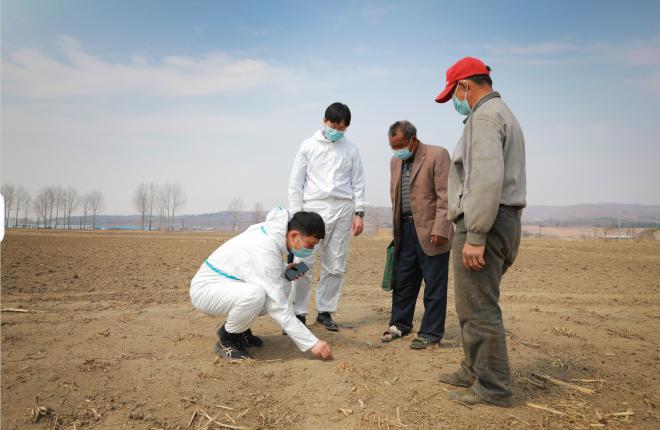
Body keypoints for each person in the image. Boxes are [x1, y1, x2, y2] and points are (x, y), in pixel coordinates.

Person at [434, 57, 526, 406]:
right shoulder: (500, 114)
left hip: (484, 222)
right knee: (471, 305)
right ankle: (472, 369)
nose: (455, 102)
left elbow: (485, 180)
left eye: (453, 94)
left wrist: (475, 235)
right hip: (497, 219)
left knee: (480, 307)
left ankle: (493, 387)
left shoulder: (485, 118)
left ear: (465, 87)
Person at [189, 207, 333, 361]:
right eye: (310, 244)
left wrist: (284, 269)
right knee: (256, 295)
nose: (310, 250)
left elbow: (253, 266)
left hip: (226, 283)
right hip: (206, 290)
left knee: (281, 284)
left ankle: (241, 332)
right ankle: (227, 339)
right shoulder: (264, 249)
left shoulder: (269, 234)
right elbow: (278, 306)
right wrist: (313, 343)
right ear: (294, 235)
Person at [287, 102, 366, 331]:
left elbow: (358, 182)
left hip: (342, 209)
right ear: (324, 121)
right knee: (301, 263)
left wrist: (359, 212)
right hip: (312, 210)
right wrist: (296, 216)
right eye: (334, 125)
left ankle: (325, 312)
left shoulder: (351, 150)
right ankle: (296, 313)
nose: (337, 130)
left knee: (336, 264)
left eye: (342, 128)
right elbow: (295, 182)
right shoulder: (308, 146)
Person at [381, 120, 453, 349]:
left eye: (400, 144)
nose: (396, 150)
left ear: (413, 139)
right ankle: (400, 324)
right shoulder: (395, 161)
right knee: (403, 281)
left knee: (434, 285)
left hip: (432, 231)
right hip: (405, 230)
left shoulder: (437, 154)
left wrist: (441, 228)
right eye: (393, 146)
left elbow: (446, 195)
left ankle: (431, 333)